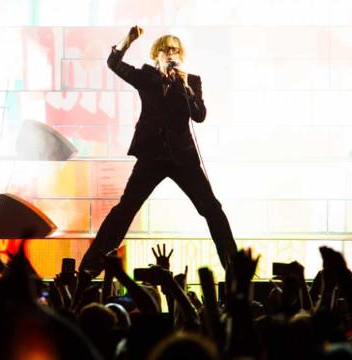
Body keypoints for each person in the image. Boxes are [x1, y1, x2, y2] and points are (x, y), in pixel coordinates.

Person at [78, 26, 237, 277]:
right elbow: (113, 63)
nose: (170, 53)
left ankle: (235, 268)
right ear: (156, 55)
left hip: (182, 157)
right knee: (126, 208)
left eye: (174, 49)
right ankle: (90, 267)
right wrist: (128, 40)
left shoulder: (190, 80)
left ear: (180, 54)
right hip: (151, 156)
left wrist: (186, 86)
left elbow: (200, 116)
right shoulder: (146, 76)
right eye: (165, 49)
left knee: (211, 208)